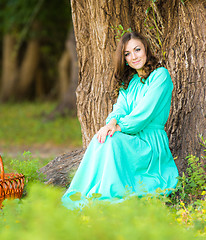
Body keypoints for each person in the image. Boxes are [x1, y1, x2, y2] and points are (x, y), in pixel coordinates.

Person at [61, 32, 179, 210]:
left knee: (113, 140)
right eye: (127, 53)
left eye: (137, 50)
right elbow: (120, 108)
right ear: (124, 59)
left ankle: (109, 194)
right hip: (132, 137)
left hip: (150, 142)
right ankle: (85, 192)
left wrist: (119, 127)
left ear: (146, 49)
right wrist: (110, 124)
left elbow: (143, 115)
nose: (134, 56)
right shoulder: (130, 82)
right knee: (101, 138)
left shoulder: (160, 76)